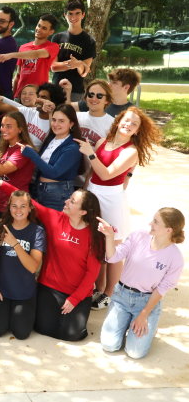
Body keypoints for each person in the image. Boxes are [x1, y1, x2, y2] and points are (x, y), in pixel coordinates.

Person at [0, 176, 104, 341]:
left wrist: (74, 299)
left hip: (77, 292)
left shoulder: (95, 236)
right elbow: (29, 204)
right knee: (42, 328)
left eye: (72, 201)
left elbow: (92, 273)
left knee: (72, 335)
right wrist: (3, 185)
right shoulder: (55, 218)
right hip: (49, 287)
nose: (66, 201)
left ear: (83, 211)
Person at [75, 107, 161, 310]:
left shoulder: (132, 151)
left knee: (112, 248)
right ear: (119, 120)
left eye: (134, 124)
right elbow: (93, 174)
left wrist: (90, 154)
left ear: (138, 130)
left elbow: (106, 175)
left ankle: (109, 293)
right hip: (93, 195)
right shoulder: (102, 142)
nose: (128, 125)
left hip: (111, 199)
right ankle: (97, 287)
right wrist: (85, 191)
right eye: (126, 120)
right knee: (95, 245)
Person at [98, 208, 185, 359]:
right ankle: (125, 322)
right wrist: (109, 237)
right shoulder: (137, 236)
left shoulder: (175, 257)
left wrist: (144, 314)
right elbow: (113, 258)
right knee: (109, 345)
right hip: (121, 297)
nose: (150, 223)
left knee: (135, 353)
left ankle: (149, 324)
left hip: (146, 303)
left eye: (156, 222)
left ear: (168, 230)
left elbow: (163, 288)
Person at [0, 190, 45, 339]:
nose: (18, 210)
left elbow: (33, 267)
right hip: (1, 291)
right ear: (9, 207)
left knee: (21, 333)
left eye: (23, 206)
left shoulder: (37, 231)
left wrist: (15, 244)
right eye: (14, 206)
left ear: (30, 208)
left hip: (24, 292)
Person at [21, 104, 83, 211]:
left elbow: (54, 173)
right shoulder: (51, 138)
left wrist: (32, 154)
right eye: (54, 120)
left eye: (61, 121)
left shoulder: (73, 147)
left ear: (71, 124)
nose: (56, 124)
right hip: (40, 189)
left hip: (58, 194)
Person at [0, 14, 59, 100]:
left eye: (44, 28)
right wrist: (14, 96)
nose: (39, 29)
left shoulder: (53, 46)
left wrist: (11, 55)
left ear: (51, 32)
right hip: (20, 95)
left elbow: (36, 54)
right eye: (38, 25)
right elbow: (18, 75)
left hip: (37, 96)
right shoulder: (23, 47)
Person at [51, 0, 96, 102]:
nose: (74, 17)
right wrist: (73, 64)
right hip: (56, 89)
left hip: (76, 92)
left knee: (73, 118)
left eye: (77, 13)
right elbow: (53, 66)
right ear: (65, 15)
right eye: (70, 13)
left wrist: (79, 64)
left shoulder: (89, 41)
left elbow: (84, 72)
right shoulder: (57, 38)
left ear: (83, 15)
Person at [71, 68, 141, 117]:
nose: (109, 84)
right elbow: (68, 107)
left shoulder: (132, 112)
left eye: (114, 83)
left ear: (126, 87)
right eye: (109, 81)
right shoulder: (97, 100)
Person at [76, 79, 116, 147]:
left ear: (107, 100)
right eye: (90, 95)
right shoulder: (76, 117)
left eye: (99, 96)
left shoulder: (113, 124)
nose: (94, 99)